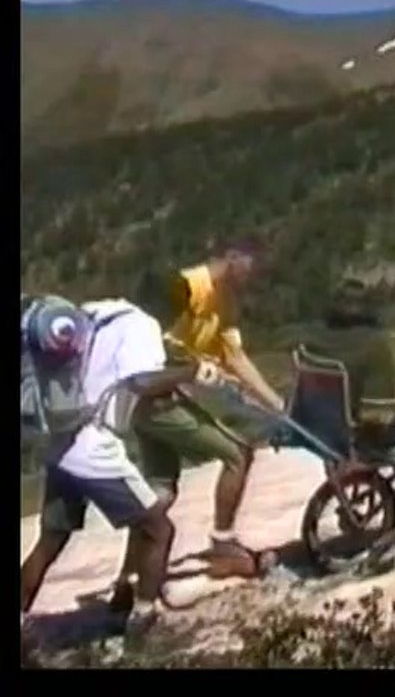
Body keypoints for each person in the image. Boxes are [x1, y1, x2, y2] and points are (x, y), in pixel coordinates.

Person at [19, 294, 225, 638]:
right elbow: (141, 382)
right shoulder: (144, 326)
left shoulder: (101, 311)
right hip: (92, 448)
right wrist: (193, 372)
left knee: (51, 540)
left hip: (60, 441)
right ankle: (142, 623)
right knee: (159, 530)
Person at [109, 240, 285, 611]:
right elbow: (151, 342)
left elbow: (234, 357)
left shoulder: (226, 303)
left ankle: (126, 581)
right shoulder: (186, 288)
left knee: (160, 494)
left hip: (150, 404)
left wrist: (275, 403)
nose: (253, 280)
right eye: (252, 269)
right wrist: (192, 370)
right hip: (157, 399)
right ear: (234, 258)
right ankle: (223, 542)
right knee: (237, 453)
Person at [299, 278, 395, 494]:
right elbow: (376, 415)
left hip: (327, 439)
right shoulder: (374, 344)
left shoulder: (312, 343)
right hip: (365, 445)